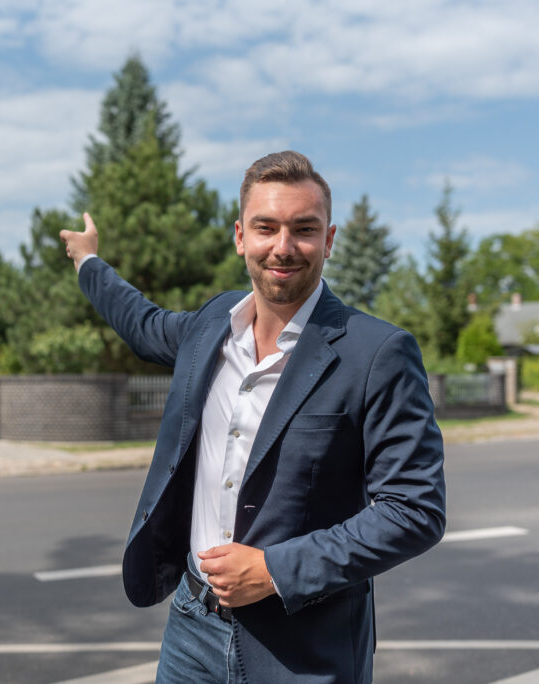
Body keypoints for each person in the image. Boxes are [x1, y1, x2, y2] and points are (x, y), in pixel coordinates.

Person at [59, 150, 446, 683]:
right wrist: (88, 262)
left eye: (304, 229)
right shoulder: (210, 325)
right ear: (241, 237)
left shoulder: (378, 353)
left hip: (303, 649)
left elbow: (414, 510)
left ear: (329, 240)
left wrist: (273, 570)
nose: (283, 246)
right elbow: (142, 322)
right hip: (191, 628)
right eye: (266, 228)